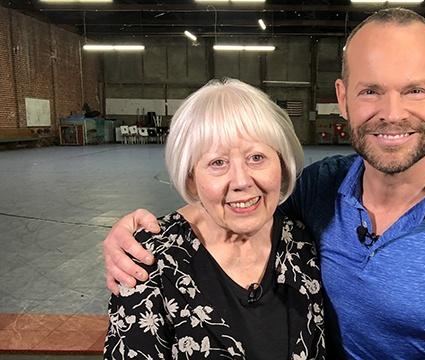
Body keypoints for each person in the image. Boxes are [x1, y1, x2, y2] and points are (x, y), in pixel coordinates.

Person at [103, 8, 425, 359]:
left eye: (414, 91)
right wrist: (142, 235)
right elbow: (242, 203)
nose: (391, 112)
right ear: (343, 97)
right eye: (370, 91)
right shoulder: (319, 189)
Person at [103, 79, 325, 360]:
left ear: (281, 164)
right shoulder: (149, 261)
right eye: (218, 163)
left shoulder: (301, 243)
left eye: (257, 157)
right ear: (191, 179)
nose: (242, 181)